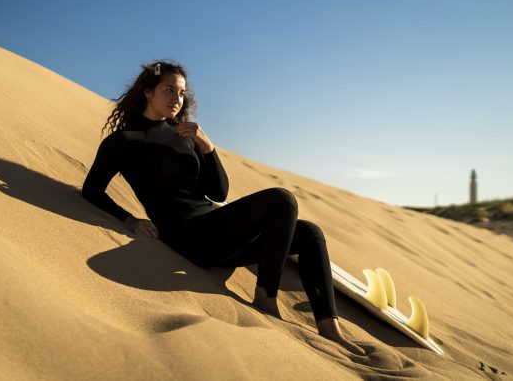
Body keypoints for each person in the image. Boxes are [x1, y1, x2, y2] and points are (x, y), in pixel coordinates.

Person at [82, 60, 362, 354]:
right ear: (148, 92)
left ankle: (330, 327)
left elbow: (218, 192)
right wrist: (129, 220)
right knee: (281, 198)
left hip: (217, 231)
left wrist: (208, 147)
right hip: (186, 236)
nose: (176, 99)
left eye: (181, 93)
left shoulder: (184, 136)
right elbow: (92, 190)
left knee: (309, 233)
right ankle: (265, 298)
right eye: (168, 90)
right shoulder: (124, 141)